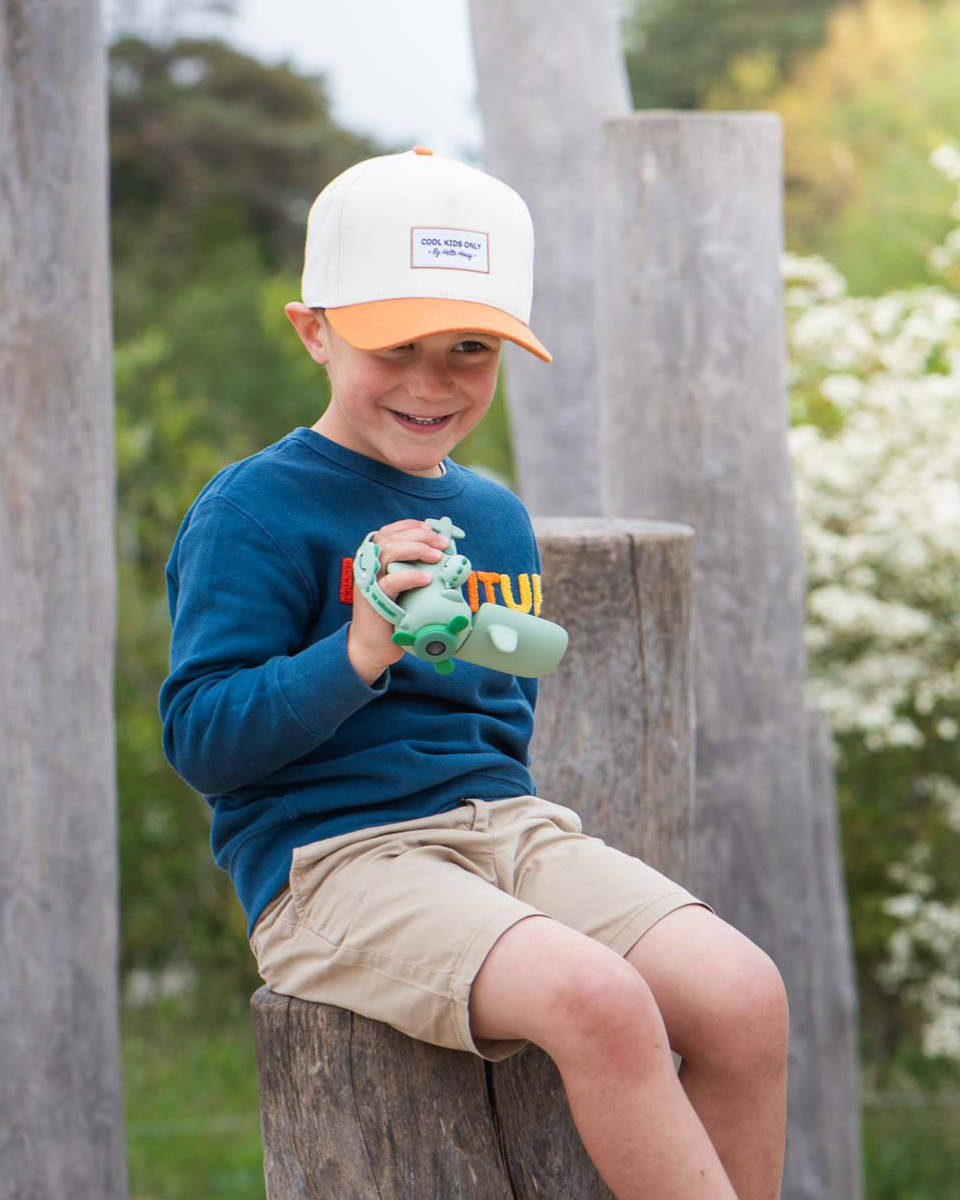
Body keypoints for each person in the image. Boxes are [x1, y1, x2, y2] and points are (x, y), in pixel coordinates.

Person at [159, 146, 789, 1200]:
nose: (432, 381)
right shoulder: (252, 511)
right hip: (331, 864)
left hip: (505, 828)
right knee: (599, 1002)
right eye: (395, 344)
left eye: (469, 348)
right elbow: (203, 741)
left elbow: (504, 716)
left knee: (744, 996)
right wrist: (359, 650)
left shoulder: (494, 516)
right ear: (314, 331)